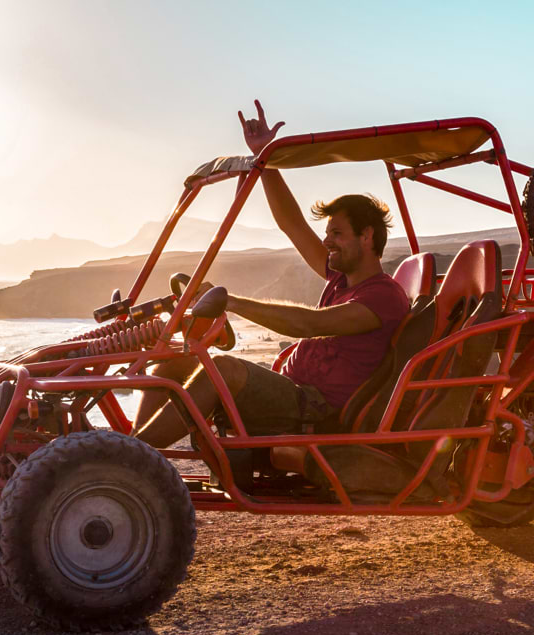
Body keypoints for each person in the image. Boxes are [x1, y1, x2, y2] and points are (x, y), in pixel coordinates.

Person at [132, 101, 409, 449]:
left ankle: (128, 456)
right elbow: (292, 225)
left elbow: (310, 325)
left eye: (336, 234)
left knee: (226, 370)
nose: (327, 242)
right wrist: (265, 158)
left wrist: (231, 302)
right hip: (292, 391)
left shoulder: (383, 296)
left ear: (366, 236)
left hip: (318, 409)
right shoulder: (340, 279)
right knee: (173, 366)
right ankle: (136, 450)